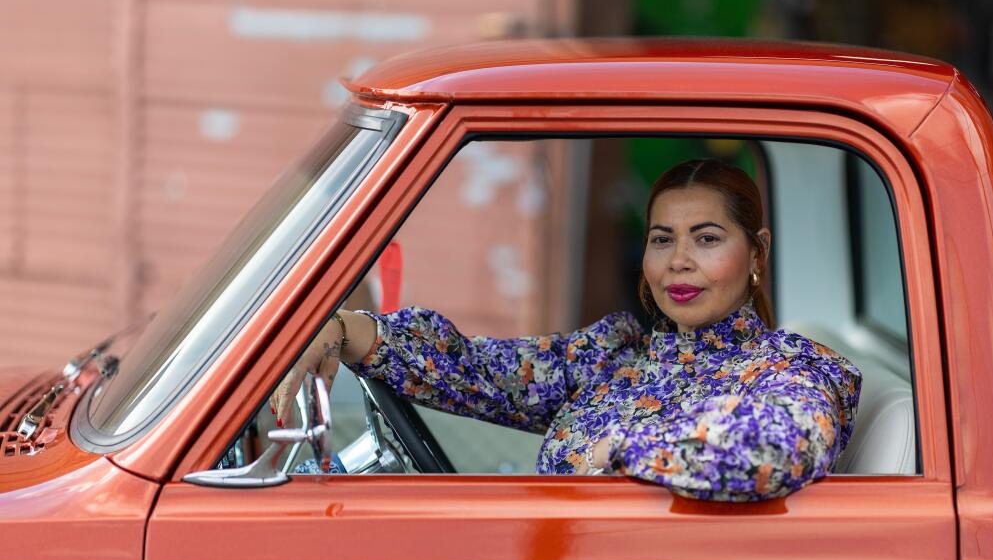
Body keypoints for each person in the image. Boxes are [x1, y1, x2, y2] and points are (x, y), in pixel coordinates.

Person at [271, 158, 861, 501]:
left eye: (707, 239)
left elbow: (779, 451)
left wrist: (624, 452)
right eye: (662, 240)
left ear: (756, 253)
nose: (678, 261)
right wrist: (347, 329)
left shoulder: (792, 368)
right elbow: (479, 373)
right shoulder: (614, 354)